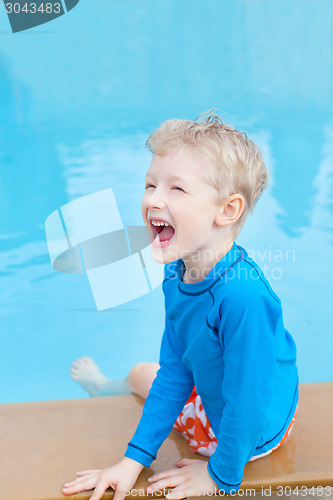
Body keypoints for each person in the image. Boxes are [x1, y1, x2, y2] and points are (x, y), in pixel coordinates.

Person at [63, 112, 298, 500]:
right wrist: (133, 460)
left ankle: (104, 386)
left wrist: (220, 475)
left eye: (176, 189)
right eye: (150, 185)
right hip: (246, 399)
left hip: (246, 433)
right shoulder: (180, 270)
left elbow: (248, 400)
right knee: (162, 373)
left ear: (227, 210)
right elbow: (176, 368)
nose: (152, 199)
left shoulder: (242, 298)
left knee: (142, 374)